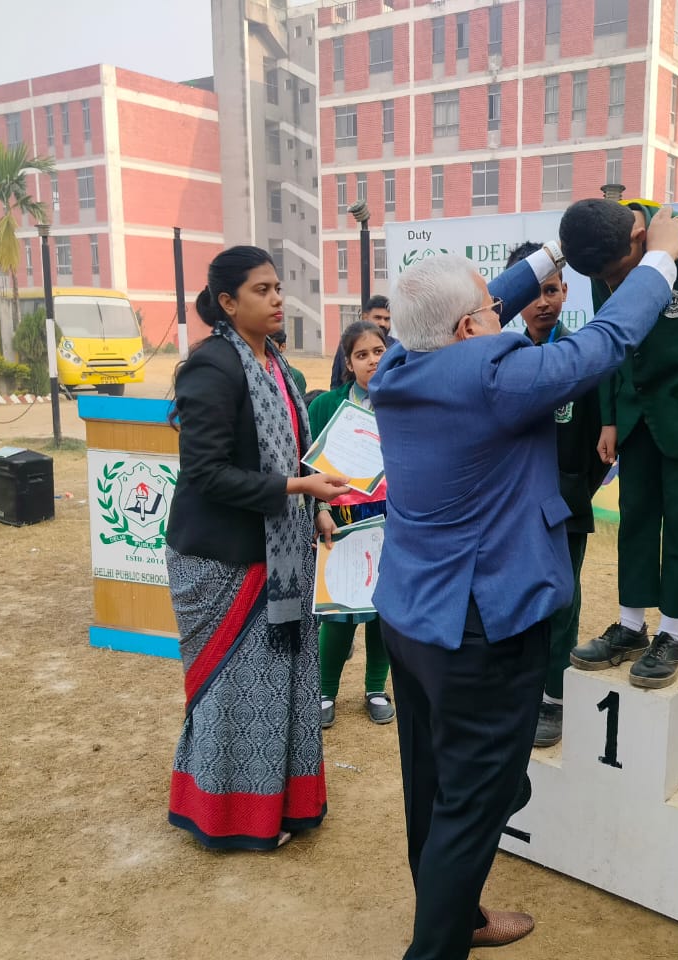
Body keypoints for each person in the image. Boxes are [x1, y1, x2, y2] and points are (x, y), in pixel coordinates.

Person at [370, 210, 678, 960]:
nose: (501, 310)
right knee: (474, 805)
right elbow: (605, 341)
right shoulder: (497, 378)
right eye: (489, 309)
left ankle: (457, 915)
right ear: (468, 329)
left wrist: (555, 251)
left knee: (431, 789)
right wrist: (662, 260)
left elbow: (468, 311)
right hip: (480, 630)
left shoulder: (397, 363)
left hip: (411, 618)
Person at [164, 246, 349, 851]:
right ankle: (229, 816)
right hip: (224, 558)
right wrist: (296, 490)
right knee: (234, 694)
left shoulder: (277, 365)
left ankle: (282, 804)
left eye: (278, 288)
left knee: (281, 686)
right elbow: (205, 472)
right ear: (227, 302)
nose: (277, 299)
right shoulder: (213, 366)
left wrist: (315, 509)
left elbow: (292, 449)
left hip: (281, 554)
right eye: (261, 290)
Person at [559, 197, 678, 688]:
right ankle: (630, 627)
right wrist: (609, 418)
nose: (613, 284)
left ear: (637, 236)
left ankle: (672, 634)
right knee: (636, 520)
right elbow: (608, 339)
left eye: (618, 273)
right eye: (604, 279)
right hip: (634, 414)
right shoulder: (602, 254)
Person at [502, 241, 610, 748]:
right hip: (511, 509)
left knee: (561, 602)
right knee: (516, 598)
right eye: (532, 293)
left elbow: (598, 448)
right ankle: (520, 689)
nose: (542, 302)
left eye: (551, 291)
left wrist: (573, 490)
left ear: (565, 290)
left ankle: (554, 697)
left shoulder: (581, 358)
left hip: (564, 508)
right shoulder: (504, 358)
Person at [308, 320, 394, 729]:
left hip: (391, 521)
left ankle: (376, 688)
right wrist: (317, 509)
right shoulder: (326, 406)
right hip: (339, 521)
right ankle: (324, 692)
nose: (372, 361)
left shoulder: (402, 402)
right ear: (348, 363)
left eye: (378, 351)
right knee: (338, 609)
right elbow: (305, 466)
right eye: (362, 355)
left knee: (383, 612)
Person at [330, 295, 393, 389]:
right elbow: (336, 380)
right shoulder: (348, 343)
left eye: (387, 319)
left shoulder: (397, 347)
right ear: (365, 317)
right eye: (378, 318)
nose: (382, 323)